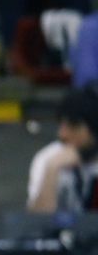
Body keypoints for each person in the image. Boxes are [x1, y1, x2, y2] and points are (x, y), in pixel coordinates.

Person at [28, 82, 98, 213]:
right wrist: (52, 170)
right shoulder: (49, 157)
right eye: (61, 125)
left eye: (73, 126)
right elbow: (37, 222)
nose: (62, 134)